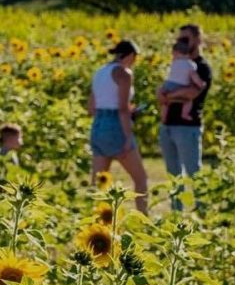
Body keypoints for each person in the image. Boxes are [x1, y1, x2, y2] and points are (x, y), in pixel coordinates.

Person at [89, 40, 149, 214]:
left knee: (99, 181)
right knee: (140, 178)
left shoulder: (100, 72)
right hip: (116, 124)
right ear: (130, 55)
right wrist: (128, 137)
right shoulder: (124, 73)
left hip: (99, 123)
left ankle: (95, 216)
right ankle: (142, 217)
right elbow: (123, 108)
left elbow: (91, 106)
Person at [158, 23, 212, 211]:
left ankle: (203, 212)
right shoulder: (177, 63)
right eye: (179, 39)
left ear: (198, 40)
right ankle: (176, 213)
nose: (181, 42)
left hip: (187, 127)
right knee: (173, 174)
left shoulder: (201, 67)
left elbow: (192, 92)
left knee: (194, 172)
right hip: (168, 125)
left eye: (185, 39)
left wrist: (169, 96)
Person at [158, 36, 207, 121]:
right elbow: (194, 77)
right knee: (188, 101)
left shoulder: (174, 63)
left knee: (165, 104)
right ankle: (184, 114)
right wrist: (200, 83)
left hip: (168, 84)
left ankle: (163, 117)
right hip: (180, 86)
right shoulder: (190, 64)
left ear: (176, 53)